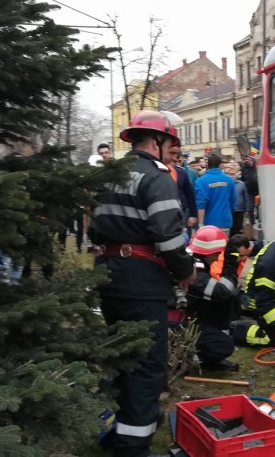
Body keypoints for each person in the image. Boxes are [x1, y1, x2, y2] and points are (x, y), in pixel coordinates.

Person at [93, 109, 196, 457]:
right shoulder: (157, 177)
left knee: (121, 355)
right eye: (171, 143)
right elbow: (167, 236)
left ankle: (117, 432)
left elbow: (94, 227)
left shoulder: (110, 175)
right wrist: (184, 270)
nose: (173, 152)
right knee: (146, 366)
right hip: (142, 281)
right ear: (158, 140)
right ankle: (132, 449)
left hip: (108, 275)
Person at [169, 225, 239, 372]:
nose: (220, 255)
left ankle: (199, 355)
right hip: (175, 324)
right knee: (223, 346)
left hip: (183, 317)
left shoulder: (188, 259)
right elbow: (222, 292)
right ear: (211, 252)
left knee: (221, 303)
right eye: (219, 252)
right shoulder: (195, 270)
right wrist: (231, 266)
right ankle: (182, 359)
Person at [194, 153, 236, 234]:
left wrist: (201, 224)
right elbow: (233, 201)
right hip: (225, 221)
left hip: (208, 224)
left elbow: (201, 204)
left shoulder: (200, 181)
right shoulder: (229, 180)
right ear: (220, 165)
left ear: (207, 165)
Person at [164, 142, 198, 231]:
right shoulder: (158, 171)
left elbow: (190, 194)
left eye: (175, 161)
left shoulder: (182, 173)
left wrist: (193, 215)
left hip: (182, 212)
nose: (172, 163)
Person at [240, 155, 259, 224]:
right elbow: (242, 179)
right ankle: (252, 223)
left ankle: (259, 221)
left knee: (259, 208)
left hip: (258, 191)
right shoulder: (244, 168)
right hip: (249, 191)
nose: (246, 161)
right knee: (250, 208)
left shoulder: (257, 167)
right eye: (245, 160)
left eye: (247, 159)